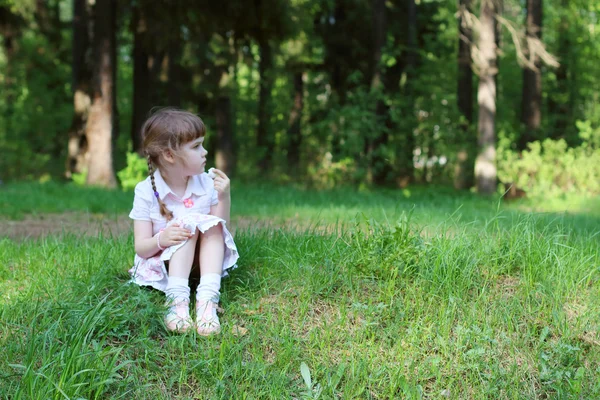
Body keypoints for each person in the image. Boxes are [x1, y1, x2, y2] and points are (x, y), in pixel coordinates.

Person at [128, 108, 238, 336]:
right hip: (164, 265)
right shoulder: (146, 191)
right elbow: (141, 247)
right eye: (196, 146)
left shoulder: (206, 183)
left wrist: (224, 196)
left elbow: (221, 230)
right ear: (169, 155)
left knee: (206, 223)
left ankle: (207, 302)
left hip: (203, 263)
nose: (205, 152)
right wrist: (162, 239)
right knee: (187, 225)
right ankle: (176, 302)